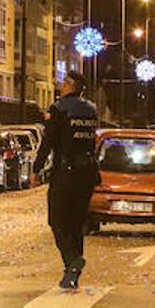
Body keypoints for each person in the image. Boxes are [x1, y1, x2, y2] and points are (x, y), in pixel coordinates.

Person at [34, 70, 100, 289]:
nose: (61, 86)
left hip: (66, 173)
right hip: (88, 174)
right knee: (76, 223)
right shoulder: (91, 110)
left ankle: (73, 261)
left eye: (64, 83)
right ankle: (72, 274)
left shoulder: (59, 109)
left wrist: (36, 169)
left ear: (71, 86)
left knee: (57, 221)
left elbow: (48, 142)